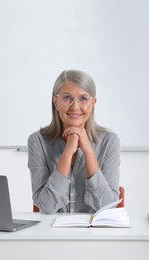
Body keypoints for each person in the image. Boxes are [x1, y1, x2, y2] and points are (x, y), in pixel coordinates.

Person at [28, 69, 121, 214]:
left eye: (83, 98)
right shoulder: (37, 141)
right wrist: (68, 151)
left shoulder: (110, 141)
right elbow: (46, 206)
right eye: (67, 98)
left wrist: (88, 150)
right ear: (55, 102)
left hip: (94, 233)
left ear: (93, 103)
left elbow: (108, 206)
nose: (75, 106)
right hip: (51, 234)